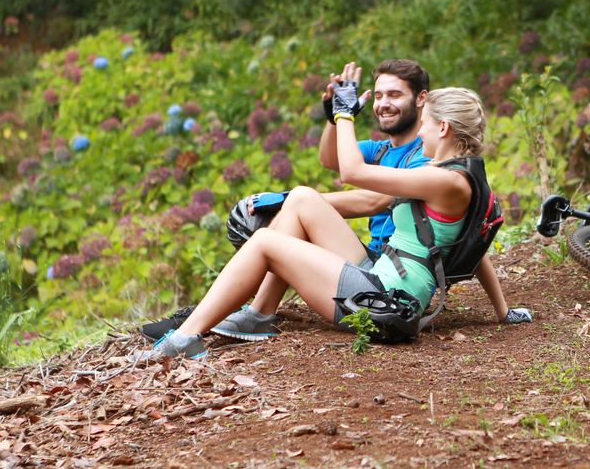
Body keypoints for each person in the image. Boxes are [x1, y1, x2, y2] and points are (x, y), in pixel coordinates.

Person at [150, 68, 531, 359]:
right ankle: (259, 315)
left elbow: (352, 173)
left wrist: (344, 114)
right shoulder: (448, 175)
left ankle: (186, 337)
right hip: (381, 278)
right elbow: (472, 250)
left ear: (443, 127)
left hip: (385, 304)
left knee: (266, 241)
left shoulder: (448, 183)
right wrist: (503, 312)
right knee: (301, 198)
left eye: (427, 125)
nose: (422, 134)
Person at [140, 59, 433, 340]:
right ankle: (254, 311)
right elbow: (329, 159)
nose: (383, 104)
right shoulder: (380, 150)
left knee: (300, 199)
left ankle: (240, 310)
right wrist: (334, 116)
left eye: (395, 95)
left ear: (420, 99)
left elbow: (374, 200)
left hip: (393, 277)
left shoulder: (427, 153)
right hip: (373, 261)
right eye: (379, 95)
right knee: (301, 200)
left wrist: (284, 199)